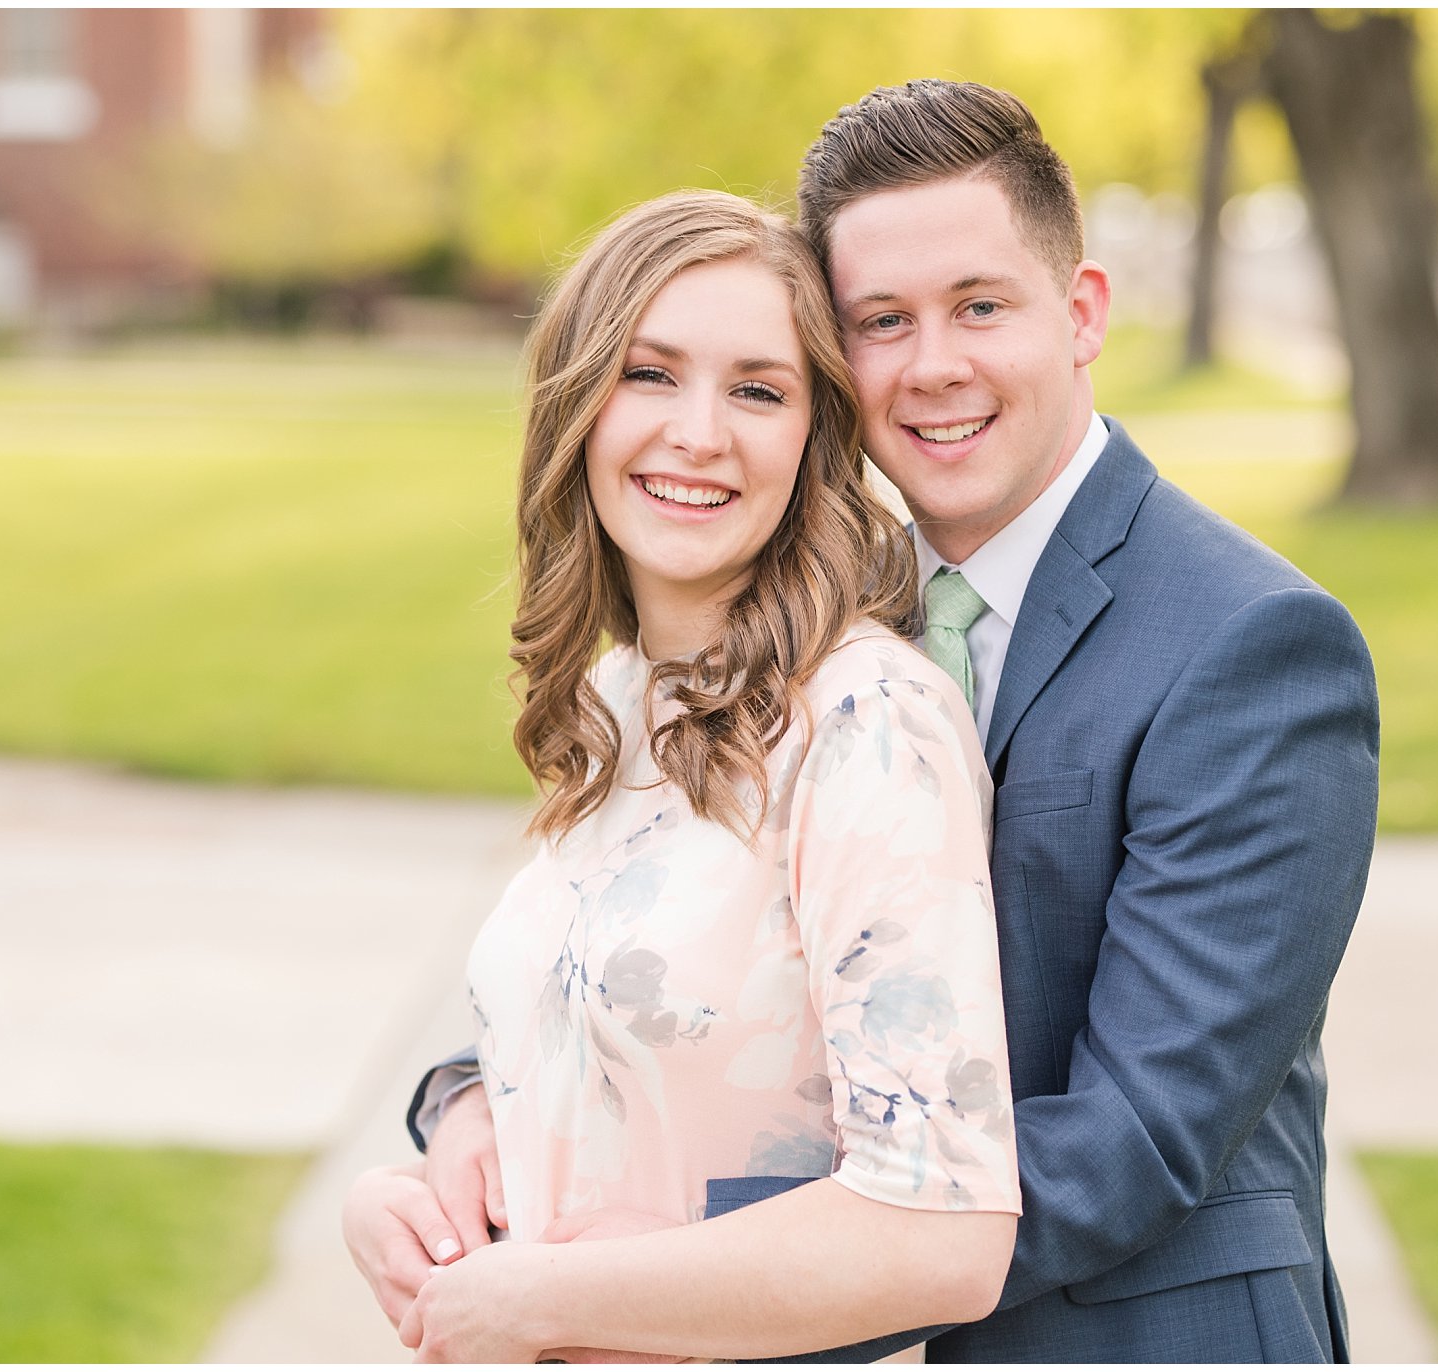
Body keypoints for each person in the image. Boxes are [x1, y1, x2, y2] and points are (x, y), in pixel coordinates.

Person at [384, 80, 1380, 1363]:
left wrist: (682, 1265)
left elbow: (1136, 1132)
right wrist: (472, 1107)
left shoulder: (1249, 645)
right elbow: (674, 958)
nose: (931, 365)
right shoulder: (800, 622)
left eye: (978, 306)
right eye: (879, 322)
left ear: (1079, 315)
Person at [345, 188, 1026, 1363]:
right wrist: (421, 1190)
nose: (698, 434)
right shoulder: (619, 696)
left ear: (811, 440)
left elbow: (942, 1235)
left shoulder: (865, 723)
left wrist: (536, 1301)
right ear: (575, 402)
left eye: (755, 390)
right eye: (649, 374)